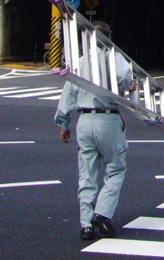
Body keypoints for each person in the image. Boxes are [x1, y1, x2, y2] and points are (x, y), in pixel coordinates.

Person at [54, 21, 133, 241]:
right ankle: (102, 213)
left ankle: (85, 224)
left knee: (87, 174)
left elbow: (68, 93)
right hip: (107, 119)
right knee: (116, 169)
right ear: (110, 38)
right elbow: (125, 79)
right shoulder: (113, 57)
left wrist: (64, 123)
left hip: (83, 121)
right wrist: (130, 86)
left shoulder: (80, 62)